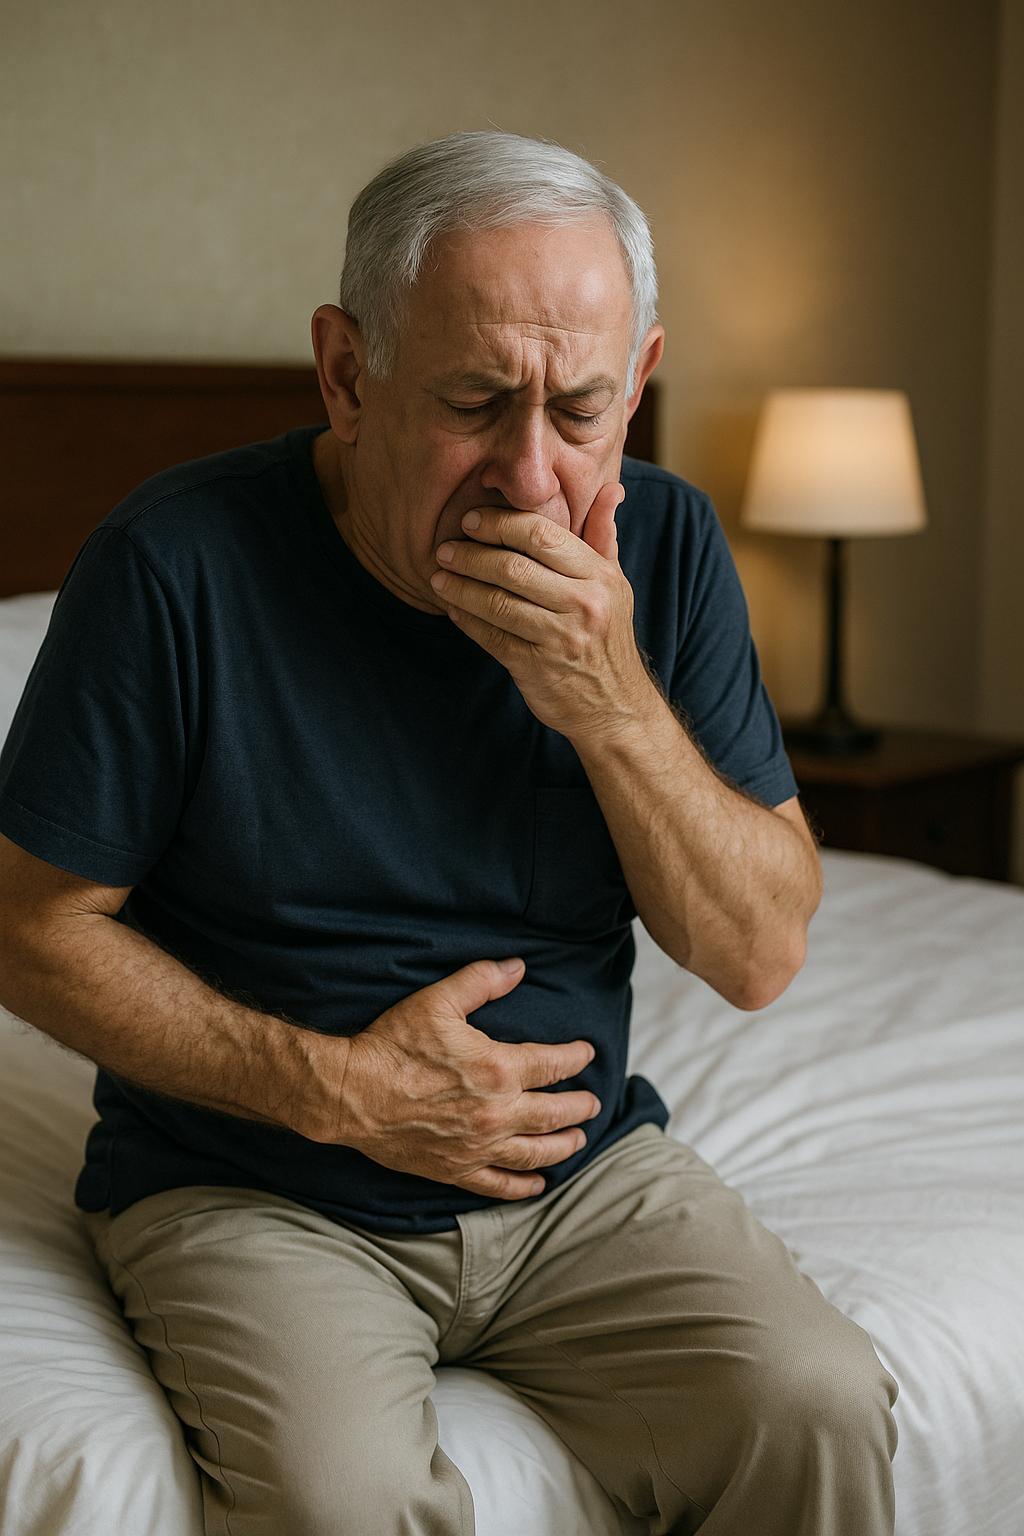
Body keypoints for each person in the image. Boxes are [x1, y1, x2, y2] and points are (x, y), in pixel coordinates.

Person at [0, 130, 898, 1535]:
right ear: (348, 377)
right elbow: (26, 924)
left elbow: (760, 951)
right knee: (340, 1497)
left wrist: (610, 707)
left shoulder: (663, 545)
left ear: (640, 384)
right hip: (261, 1184)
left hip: (580, 1181)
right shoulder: (174, 564)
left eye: (584, 411)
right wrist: (335, 1091)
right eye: (476, 402)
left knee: (819, 1400)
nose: (531, 478)